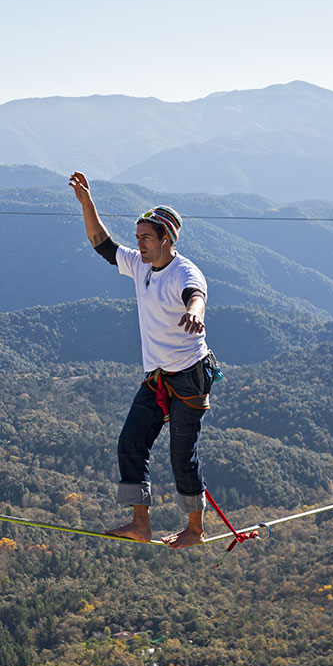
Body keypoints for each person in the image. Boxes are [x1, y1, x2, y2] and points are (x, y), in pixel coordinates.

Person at [68, 171, 217, 549]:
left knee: (182, 456)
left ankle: (195, 529)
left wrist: (197, 313)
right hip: (158, 377)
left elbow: (194, 294)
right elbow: (103, 245)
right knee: (130, 443)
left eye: (146, 239)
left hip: (189, 378)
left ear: (167, 239)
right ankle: (140, 524)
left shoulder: (184, 272)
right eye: (137, 239)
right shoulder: (140, 266)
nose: (139, 245)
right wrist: (88, 205)